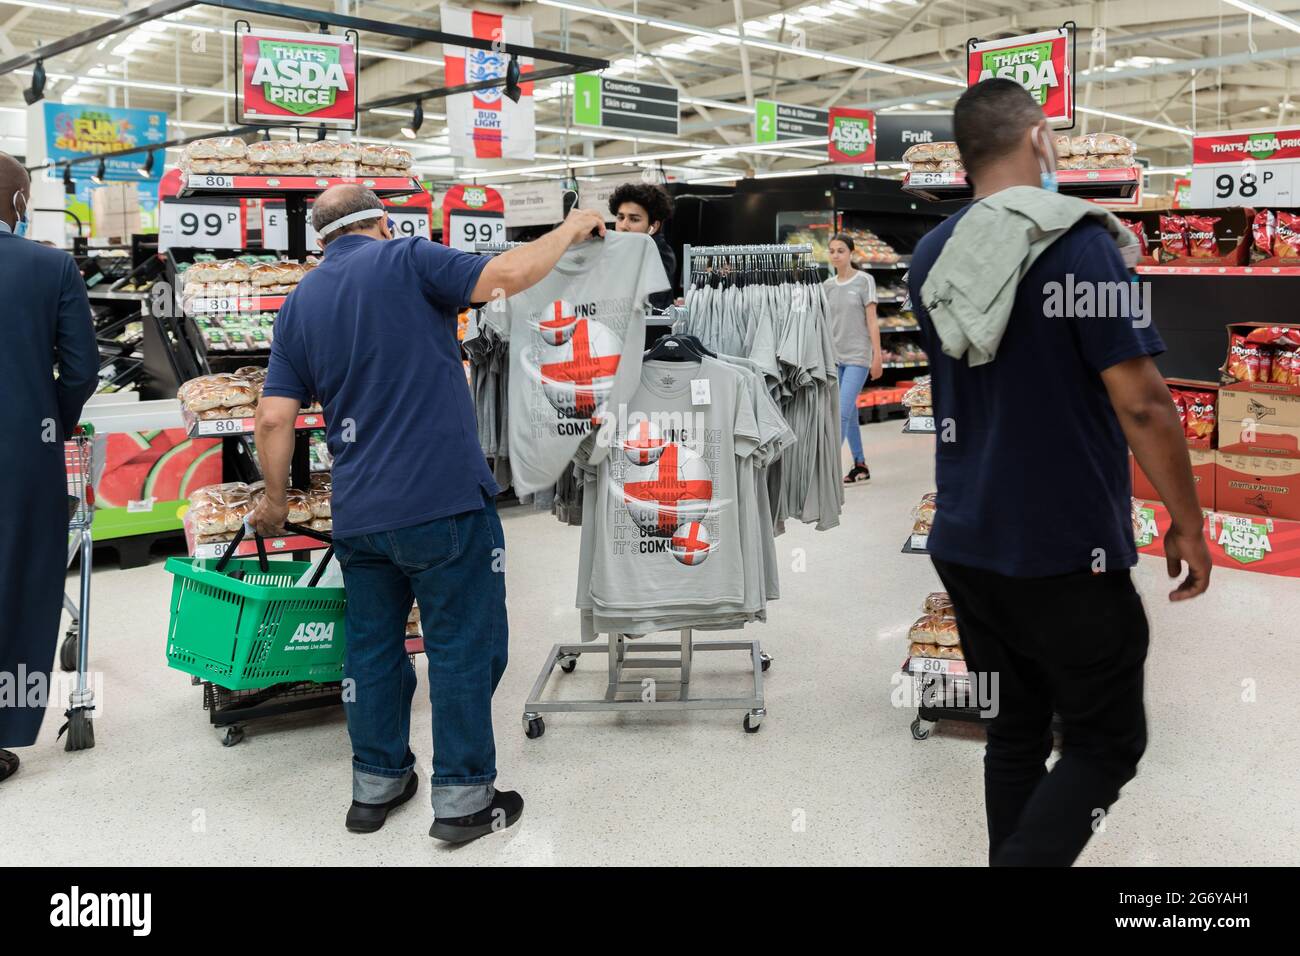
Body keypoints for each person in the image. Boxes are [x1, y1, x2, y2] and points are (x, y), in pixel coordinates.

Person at [906, 79, 1211, 866]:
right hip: (1064, 546)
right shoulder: (1078, 244)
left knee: (1012, 732)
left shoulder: (934, 253)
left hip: (968, 541)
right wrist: (1188, 518)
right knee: (1108, 741)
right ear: (1041, 140)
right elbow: (1141, 402)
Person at [249, 184, 606, 843]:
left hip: (359, 512)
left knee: (372, 648)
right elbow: (508, 275)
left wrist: (274, 502)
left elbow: (273, 418)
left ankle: (377, 784)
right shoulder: (409, 258)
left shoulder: (299, 303)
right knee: (462, 642)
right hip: (440, 499)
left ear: (321, 238)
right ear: (381, 223)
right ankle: (464, 799)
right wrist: (572, 227)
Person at [0, 152, 98, 782]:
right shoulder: (49, 266)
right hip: (21, 452)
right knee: (19, 579)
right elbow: (82, 368)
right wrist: (50, 419)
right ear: (17, 203)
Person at [824, 234, 882, 482]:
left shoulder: (864, 281)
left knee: (841, 413)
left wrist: (877, 356)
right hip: (835, 358)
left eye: (841, 250)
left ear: (851, 253)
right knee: (849, 411)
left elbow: (872, 321)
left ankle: (825, 470)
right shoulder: (825, 286)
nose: (836, 255)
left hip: (858, 357)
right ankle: (860, 463)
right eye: (832, 251)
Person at [609, 181, 676, 309]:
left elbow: (650, 304)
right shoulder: (621, 249)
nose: (623, 226)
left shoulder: (659, 254)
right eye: (620, 217)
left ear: (653, 226)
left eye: (634, 219)